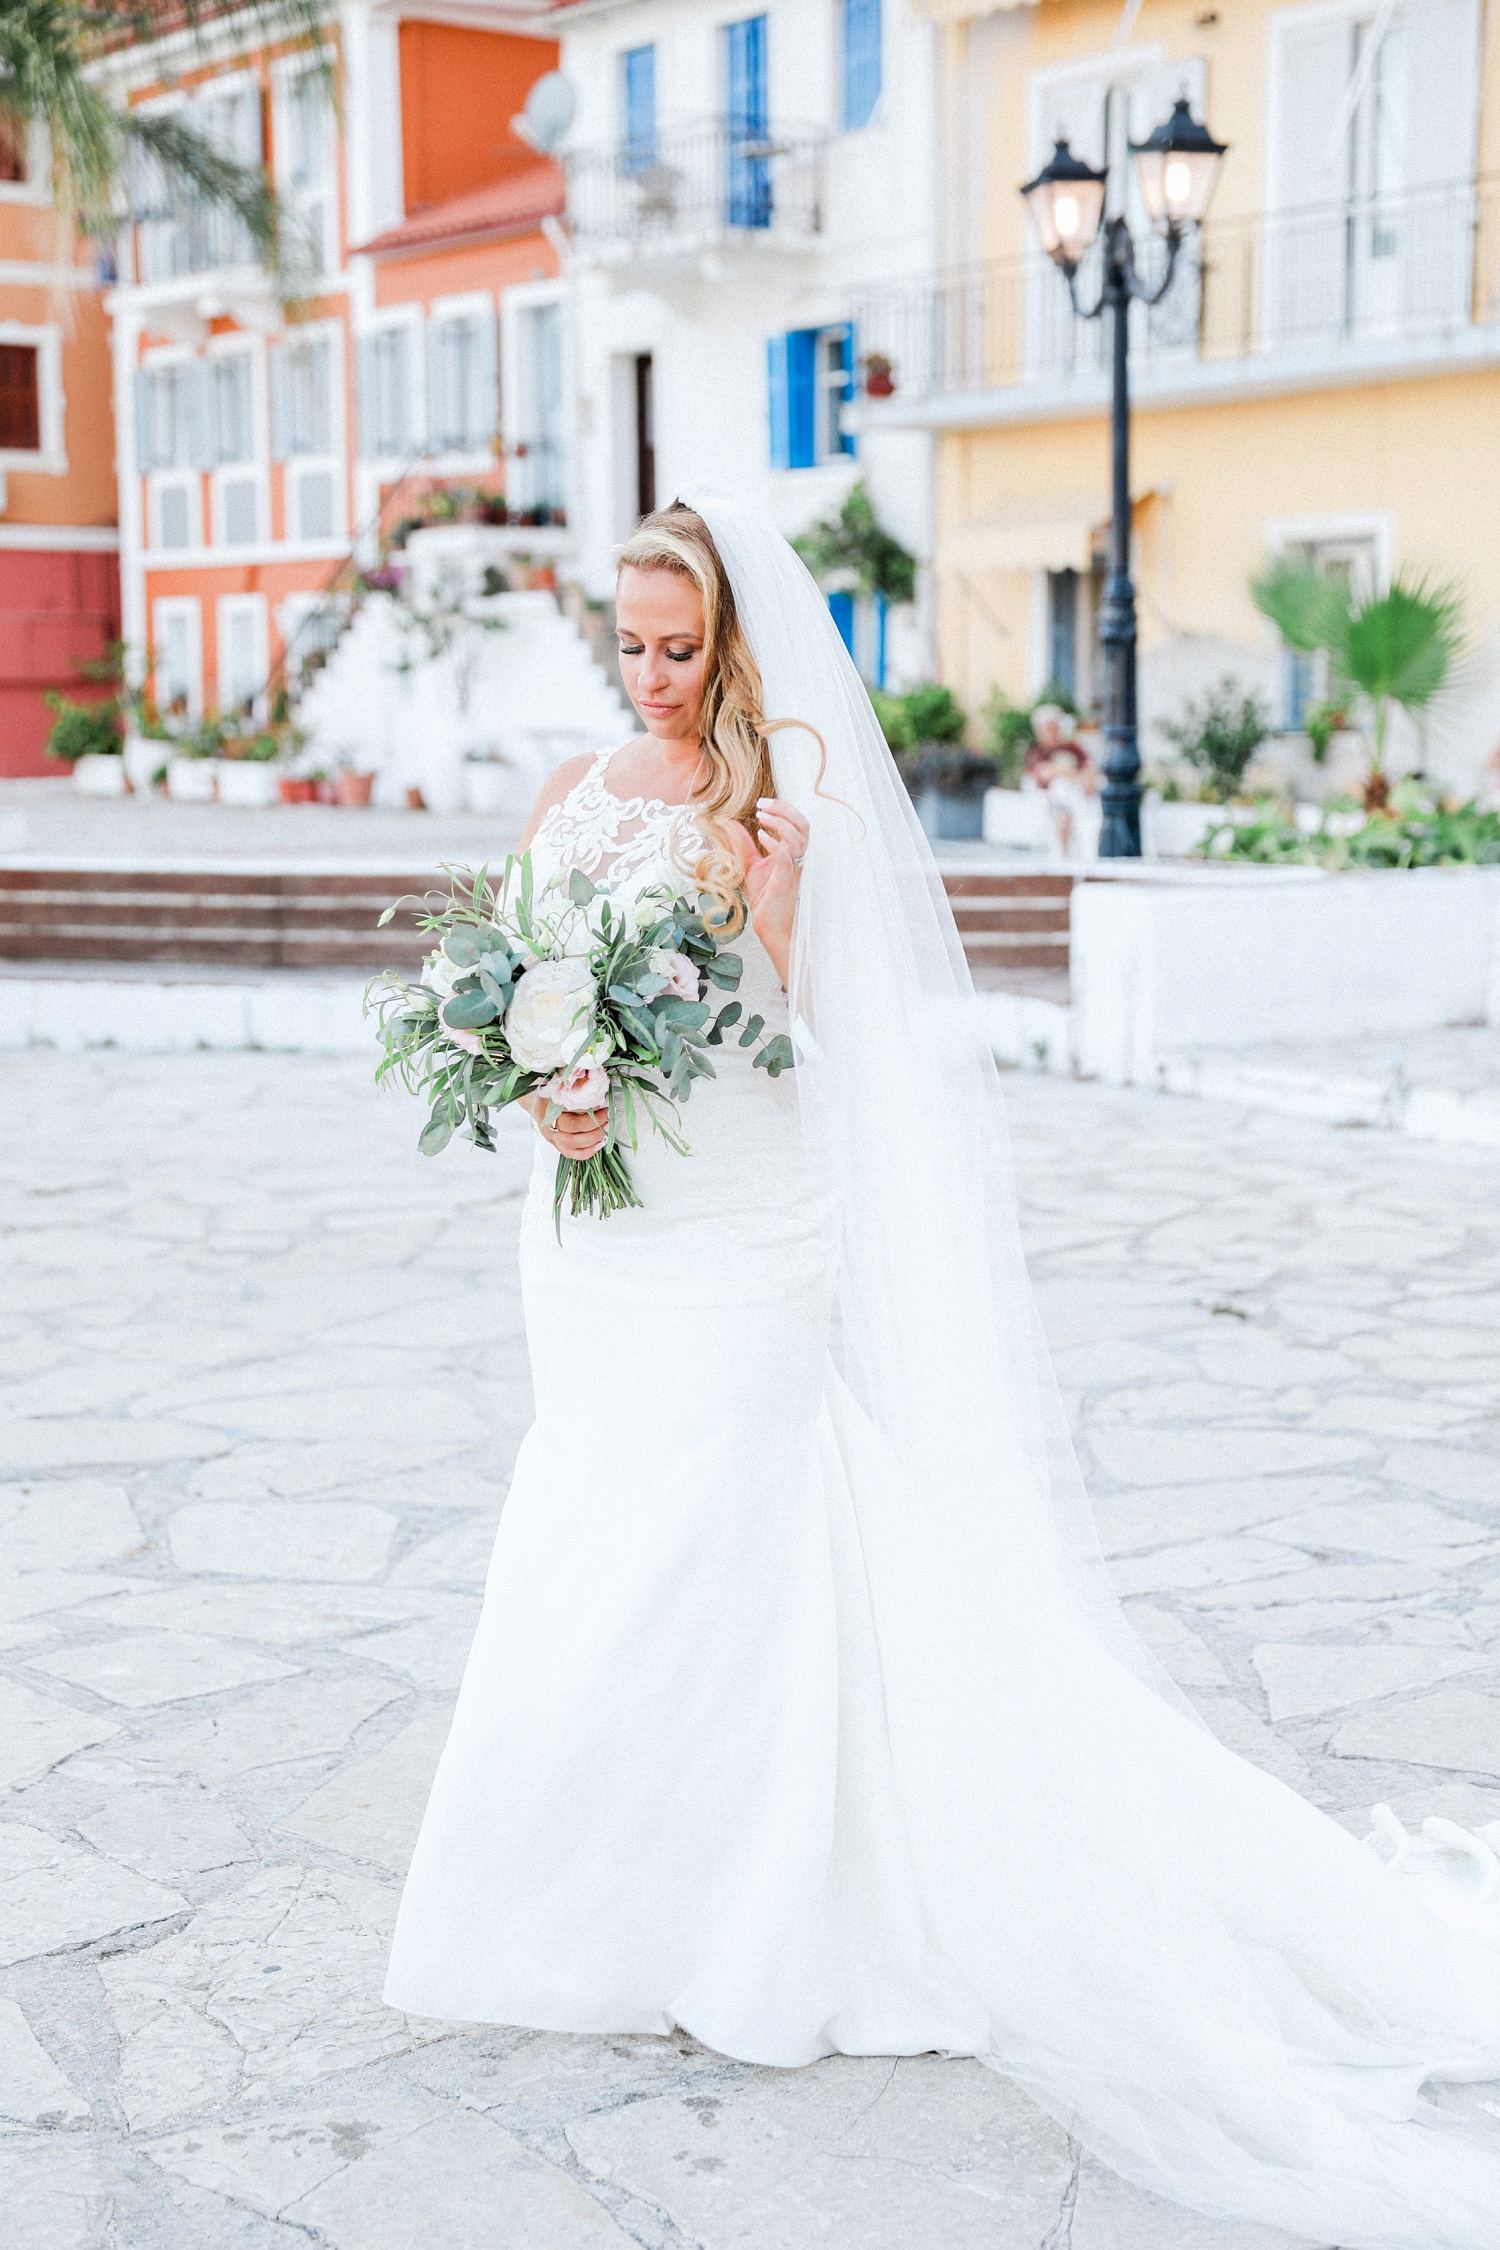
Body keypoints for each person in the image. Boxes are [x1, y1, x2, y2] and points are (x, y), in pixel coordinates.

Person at [386, 493, 1500, 2250]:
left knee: (735, 1524)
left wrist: (764, 909)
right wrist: (549, 1085)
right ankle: (594, 1894)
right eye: (634, 645)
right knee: (603, 1522)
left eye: (685, 649)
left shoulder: (774, 814)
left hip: (745, 1225)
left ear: (735, 645)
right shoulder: (570, 797)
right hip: (593, 1236)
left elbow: (825, 1033)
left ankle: (758, 1904)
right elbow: (512, 994)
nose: (658, 677)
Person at [1024, 701, 1098, 857]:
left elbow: (1090, 768)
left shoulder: (1073, 747)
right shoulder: (1037, 752)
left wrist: (1081, 778)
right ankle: (1062, 859)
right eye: (1047, 727)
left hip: (1079, 794)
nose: (1052, 731)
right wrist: (1071, 774)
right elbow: (1042, 774)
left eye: (1054, 726)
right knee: (1061, 793)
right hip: (1051, 799)